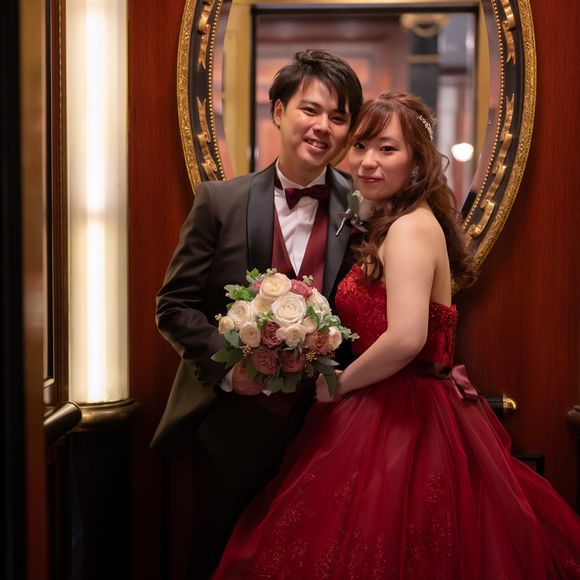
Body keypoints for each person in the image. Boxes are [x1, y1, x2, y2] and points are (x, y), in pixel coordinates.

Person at [212, 92, 580, 579]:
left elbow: (407, 338)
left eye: (387, 149)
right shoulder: (397, 222)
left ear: (417, 160)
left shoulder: (408, 229)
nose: (368, 161)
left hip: (402, 414)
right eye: (361, 146)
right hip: (389, 403)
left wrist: (336, 385)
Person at [151, 49, 363, 578]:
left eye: (338, 117)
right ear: (279, 111)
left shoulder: (365, 211)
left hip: (329, 429)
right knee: (220, 559)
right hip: (233, 429)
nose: (323, 126)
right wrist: (230, 372)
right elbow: (174, 305)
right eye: (310, 110)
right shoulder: (219, 202)